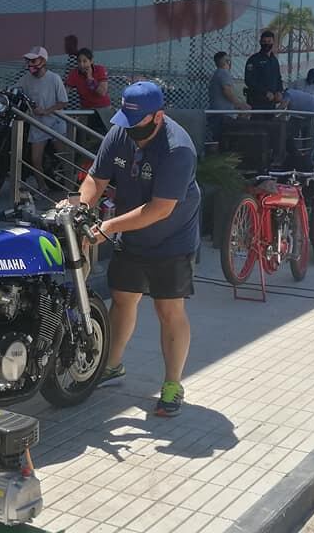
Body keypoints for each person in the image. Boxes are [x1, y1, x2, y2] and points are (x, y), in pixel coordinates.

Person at [77, 81, 199, 418]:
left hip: (172, 238)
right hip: (132, 234)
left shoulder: (178, 149)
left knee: (168, 308)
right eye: (126, 122)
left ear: (158, 117)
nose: (130, 130)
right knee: (123, 297)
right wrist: (83, 209)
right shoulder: (120, 132)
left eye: (138, 124)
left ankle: (173, 384)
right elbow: (95, 179)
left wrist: (109, 226)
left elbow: (160, 209)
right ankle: (111, 365)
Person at [15, 46, 70, 194]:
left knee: (64, 157)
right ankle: (42, 187)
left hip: (56, 123)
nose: (31, 63)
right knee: (35, 159)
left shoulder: (54, 78)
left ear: (43, 61)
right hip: (37, 124)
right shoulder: (25, 79)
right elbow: (15, 91)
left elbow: (63, 102)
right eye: (29, 60)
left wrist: (46, 111)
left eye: (34, 60)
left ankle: (70, 188)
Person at [66, 48, 111, 133]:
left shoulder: (100, 70)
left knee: (105, 134)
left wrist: (90, 79)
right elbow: (66, 91)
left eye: (85, 61)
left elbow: (102, 92)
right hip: (86, 109)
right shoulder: (74, 73)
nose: (82, 65)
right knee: (84, 135)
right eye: (79, 61)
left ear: (91, 61)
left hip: (103, 110)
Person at [207, 51, 248, 142]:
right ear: (227, 61)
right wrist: (240, 105)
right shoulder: (224, 73)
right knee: (224, 140)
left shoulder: (216, 74)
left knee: (217, 139)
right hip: (223, 114)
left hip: (217, 113)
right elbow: (227, 91)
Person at [244, 30, 283, 112]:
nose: (267, 44)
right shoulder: (254, 59)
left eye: (269, 41)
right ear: (260, 42)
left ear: (273, 42)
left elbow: (278, 78)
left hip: (271, 103)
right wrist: (265, 92)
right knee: (257, 124)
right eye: (264, 41)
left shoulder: (274, 60)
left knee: (271, 124)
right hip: (256, 102)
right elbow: (249, 80)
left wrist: (279, 91)